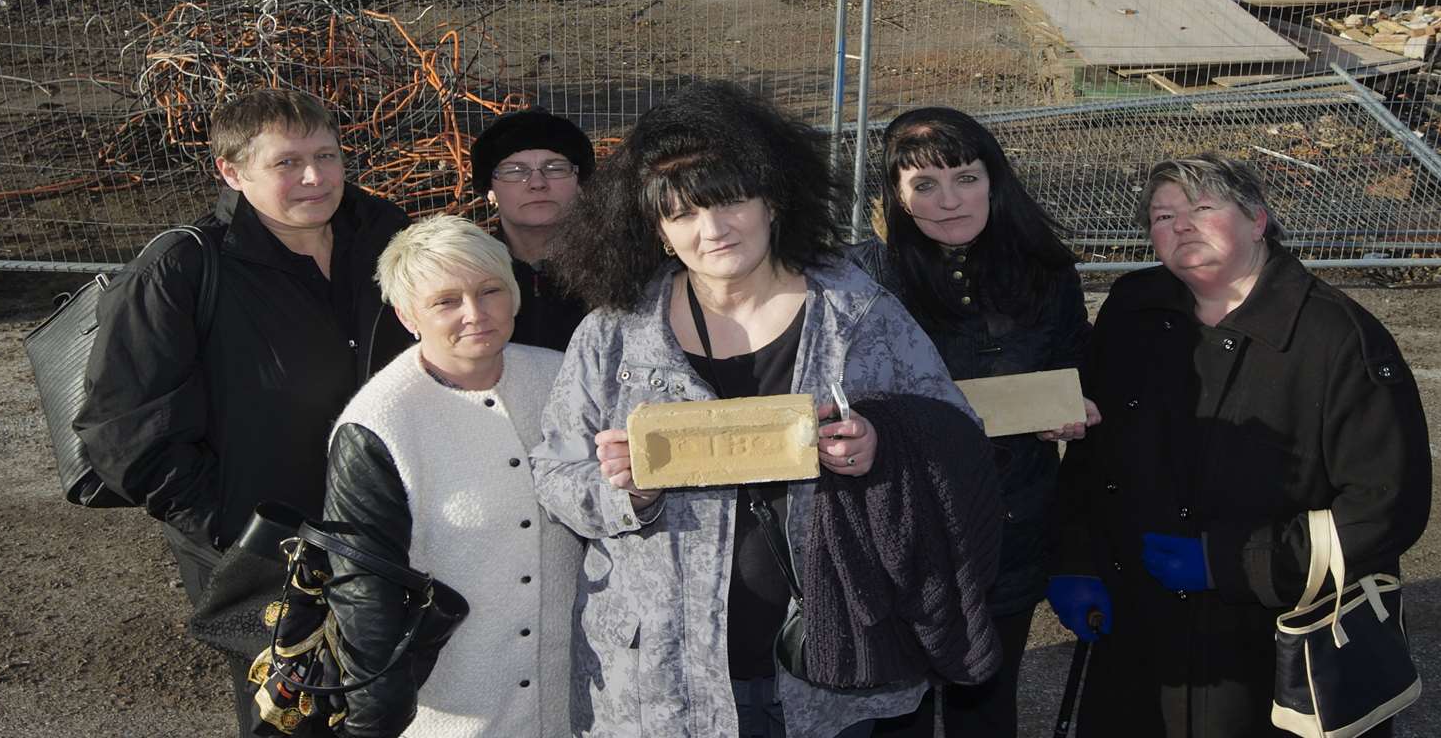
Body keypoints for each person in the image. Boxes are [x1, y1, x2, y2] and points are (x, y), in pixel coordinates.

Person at [531, 80, 988, 738]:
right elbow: (555, 473)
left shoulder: (854, 315)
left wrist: (879, 444)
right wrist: (624, 491)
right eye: (682, 214)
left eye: (730, 201)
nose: (712, 230)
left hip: (828, 663)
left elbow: (956, 436)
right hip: (663, 678)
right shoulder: (614, 335)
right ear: (656, 230)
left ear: (772, 199)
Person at [1048, 153, 1432, 737]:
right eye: (1162, 215)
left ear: (1257, 219)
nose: (1180, 226)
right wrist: (1076, 561)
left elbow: (1386, 506)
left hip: (1268, 639)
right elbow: (1092, 454)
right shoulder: (1132, 309)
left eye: (1202, 208)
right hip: (1137, 625)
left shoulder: (1336, 339)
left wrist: (1236, 562)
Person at [75, 88, 412, 734]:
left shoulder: (387, 236)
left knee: (396, 704)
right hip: (264, 553)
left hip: (383, 529)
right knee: (291, 716)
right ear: (231, 171)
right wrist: (234, 534)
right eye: (287, 163)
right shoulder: (180, 268)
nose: (315, 177)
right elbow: (123, 434)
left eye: (327, 155)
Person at [851, 107, 1097, 738]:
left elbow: (1073, 362)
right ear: (898, 198)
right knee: (892, 711)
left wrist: (1074, 408)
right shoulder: (859, 279)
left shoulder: (1045, 270)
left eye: (965, 177)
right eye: (924, 185)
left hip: (1008, 523)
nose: (950, 200)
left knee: (985, 702)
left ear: (994, 179)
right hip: (897, 528)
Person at [322, 215, 583, 737]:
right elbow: (363, 593)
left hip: (574, 697)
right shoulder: (379, 423)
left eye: (490, 291)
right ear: (406, 314)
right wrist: (373, 719)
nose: (475, 314)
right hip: (452, 708)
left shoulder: (566, 376)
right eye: (446, 301)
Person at [469, 109, 595, 351]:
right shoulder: (470, 274)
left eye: (555, 168)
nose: (537, 183)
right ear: (489, 190)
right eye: (515, 171)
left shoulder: (619, 271)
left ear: (580, 184)